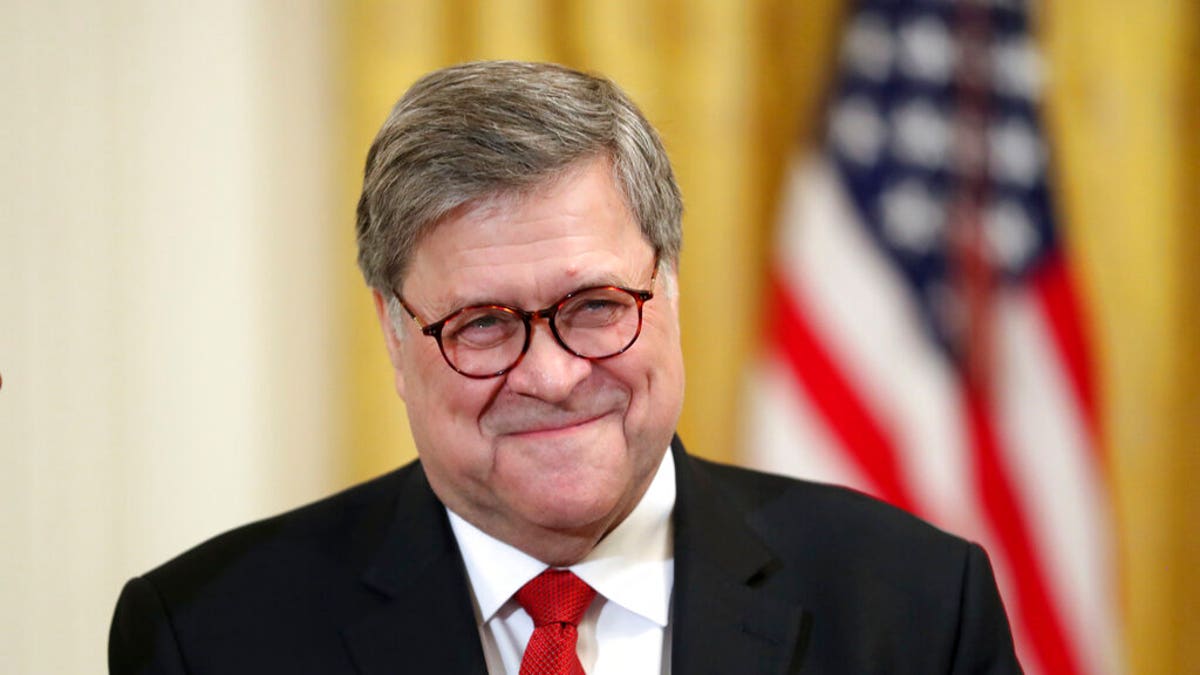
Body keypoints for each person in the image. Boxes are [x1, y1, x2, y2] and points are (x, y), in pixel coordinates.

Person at [109, 60, 1021, 674]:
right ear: (393, 333)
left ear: (667, 289)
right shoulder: (209, 636)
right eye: (481, 325)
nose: (549, 376)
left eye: (593, 307)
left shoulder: (915, 609)